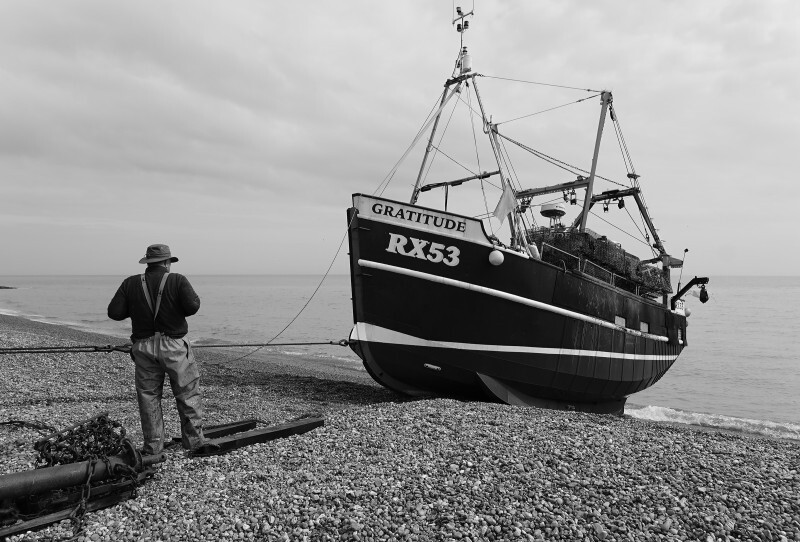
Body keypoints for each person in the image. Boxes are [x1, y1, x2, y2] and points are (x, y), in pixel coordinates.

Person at [108, 243, 206, 455]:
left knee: (148, 397)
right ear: (166, 262)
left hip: (143, 346)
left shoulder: (130, 283)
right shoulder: (177, 280)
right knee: (188, 393)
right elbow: (193, 306)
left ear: (148, 263)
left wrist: (137, 307)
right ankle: (194, 442)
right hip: (174, 346)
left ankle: (153, 447)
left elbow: (114, 313)